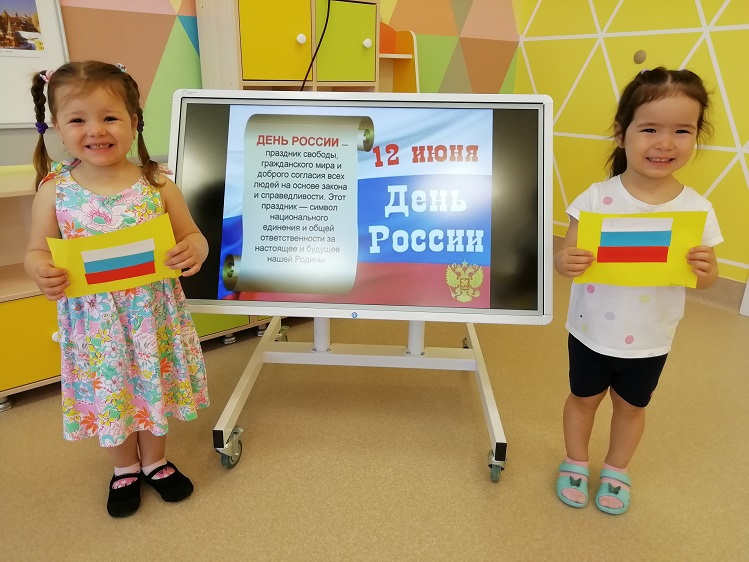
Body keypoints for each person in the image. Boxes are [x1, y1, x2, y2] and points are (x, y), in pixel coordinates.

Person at [25, 61, 210, 518]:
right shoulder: (55, 192)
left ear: (134, 120)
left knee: (151, 385)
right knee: (113, 392)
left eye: (109, 117)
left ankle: (156, 462)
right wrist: (40, 269)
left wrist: (194, 249)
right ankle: (124, 467)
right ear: (57, 127)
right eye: (78, 119)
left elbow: (192, 234)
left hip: (152, 318)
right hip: (96, 328)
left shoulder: (157, 184)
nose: (96, 130)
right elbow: (36, 251)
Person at [553, 67, 722, 515]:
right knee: (583, 399)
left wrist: (707, 270)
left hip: (650, 338)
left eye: (682, 131)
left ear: (696, 136)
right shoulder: (595, 198)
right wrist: (565, 261)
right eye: (650, 129)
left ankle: (616, 470)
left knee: (631, 407)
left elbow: (706, 277)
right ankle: (575, 462)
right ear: (621, 133)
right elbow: (566, 257)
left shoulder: (696, 209)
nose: (665, 143)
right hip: (591, 330)